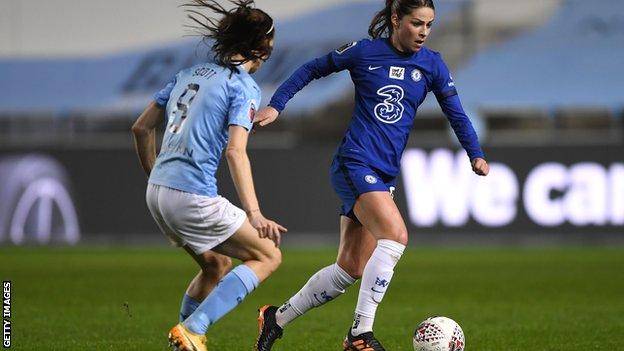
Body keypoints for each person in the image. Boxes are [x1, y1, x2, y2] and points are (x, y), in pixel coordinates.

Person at [253, 0, 489, 350]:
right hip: (355, 162)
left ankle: (276, 318)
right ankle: (359, 333)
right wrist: (277, 104)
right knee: (394, 237)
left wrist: (476, 153)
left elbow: (456, 113)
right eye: (416, 23)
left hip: (383, 174)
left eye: (429, 24)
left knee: (349, 269)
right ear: (396, 19)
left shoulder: (432, 64)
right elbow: (312, 69)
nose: (424, 31)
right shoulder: (364, 53)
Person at [131, 1, 286, 350]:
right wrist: (255, 213)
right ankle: (194, 327)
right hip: (190, 194)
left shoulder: (187, 74)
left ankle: (184, 340)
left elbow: (141, 129)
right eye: (268, 50)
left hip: (157, 191)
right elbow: (235, 151)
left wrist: (156, 177)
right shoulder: (242, 86)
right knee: (268, 255)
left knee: (216, 265)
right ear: (259, 48)